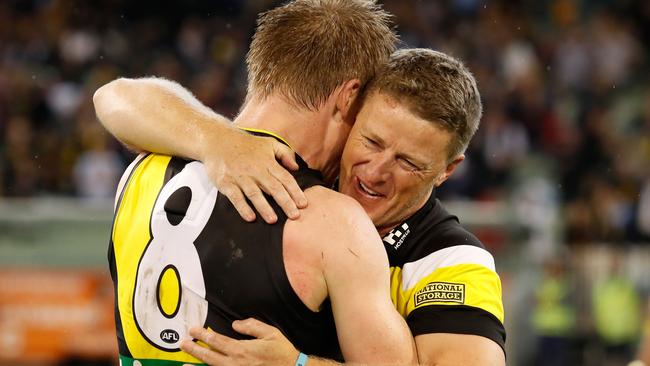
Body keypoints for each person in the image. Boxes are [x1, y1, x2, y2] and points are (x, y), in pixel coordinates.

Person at [97, 47, 506, 365]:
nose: (377, 171)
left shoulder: (450, 260)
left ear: (447, 171)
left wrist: (299, 364)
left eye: (408, 163)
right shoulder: (296, 185)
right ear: (351, 114)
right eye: (371, 141)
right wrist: (218, 141)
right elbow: (117, 96)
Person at [94, 1, 417, 365]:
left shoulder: (141, 171)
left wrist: (217, 139)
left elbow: (114, 95)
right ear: (349, 98)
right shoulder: (333, 222)